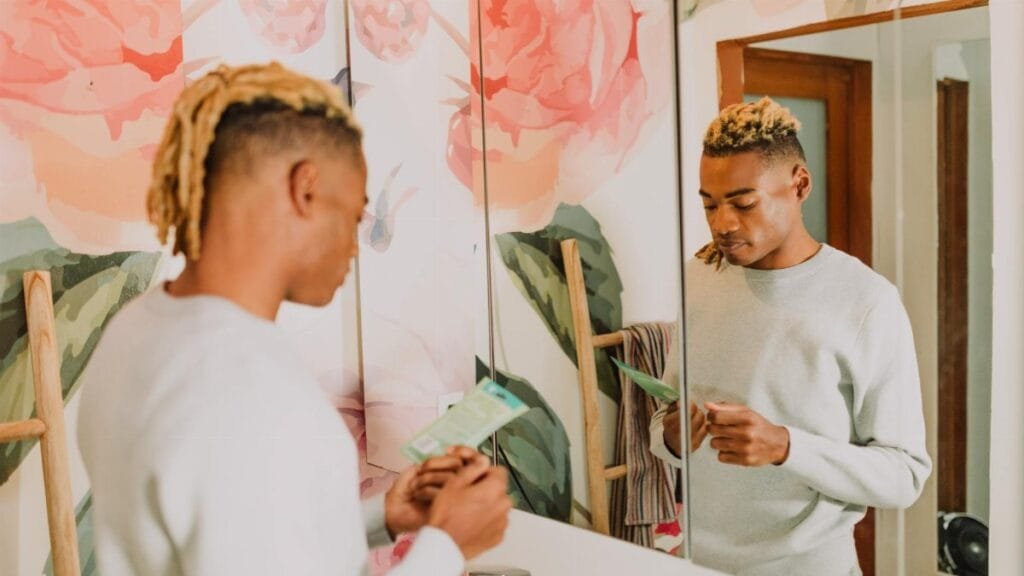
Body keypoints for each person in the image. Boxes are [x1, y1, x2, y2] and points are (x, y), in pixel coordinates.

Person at [77, 62, 512, 576]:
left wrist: (381, 517)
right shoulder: (258, 400)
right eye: (353, 216)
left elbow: (232, 535)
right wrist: (447, 546)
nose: (354, 246)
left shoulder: (138, 330)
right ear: (305, 189)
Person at [650, 98, 931, 576]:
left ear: (799, 184)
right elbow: (666, 415)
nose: (722, 224)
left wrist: (785, 447)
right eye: (709, 204)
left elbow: (905, 476)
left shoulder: (866, 302)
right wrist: (672, 437)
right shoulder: (699, 276)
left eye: (743, 203)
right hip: (697, 562)